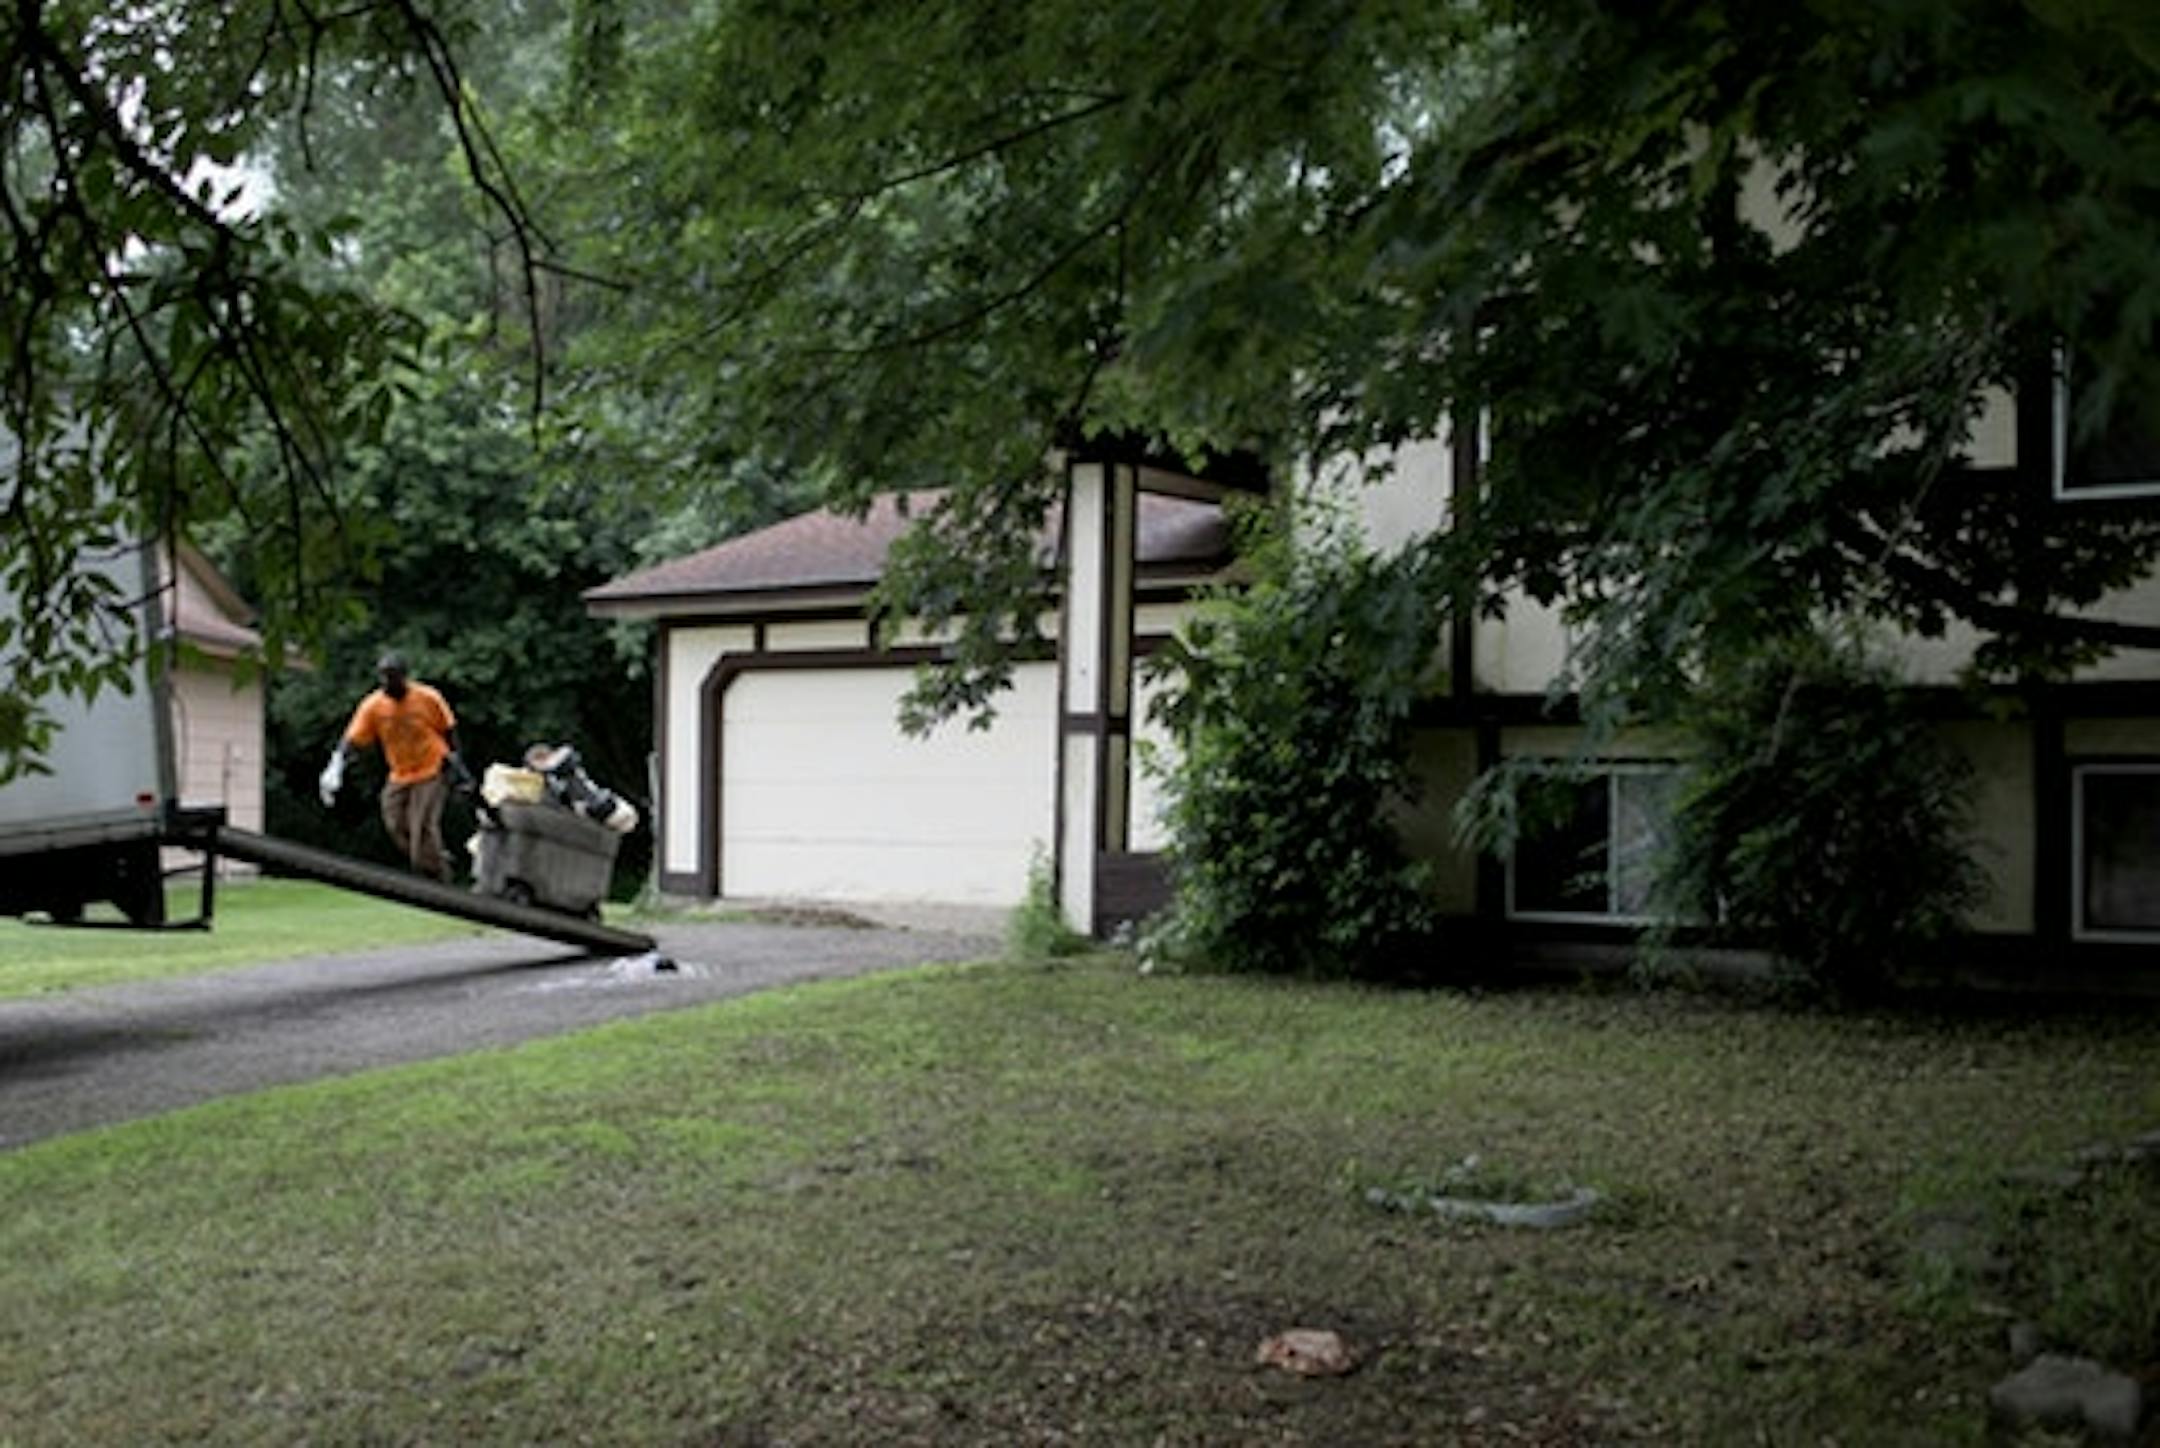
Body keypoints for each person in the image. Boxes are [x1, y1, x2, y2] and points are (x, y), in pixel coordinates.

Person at [318, 651, 471, 880]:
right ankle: (434, 857)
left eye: (393, 677)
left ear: (404, 676)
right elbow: (353, 739)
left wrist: (458, 765)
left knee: (422, 825)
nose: (388, 683)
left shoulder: (428, 697)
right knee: (394, 822)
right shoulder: (374, 705)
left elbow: (449, 730)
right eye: (384, 677)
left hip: (432, 768)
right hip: (400, 773)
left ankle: (436, 878)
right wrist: (336, 764)